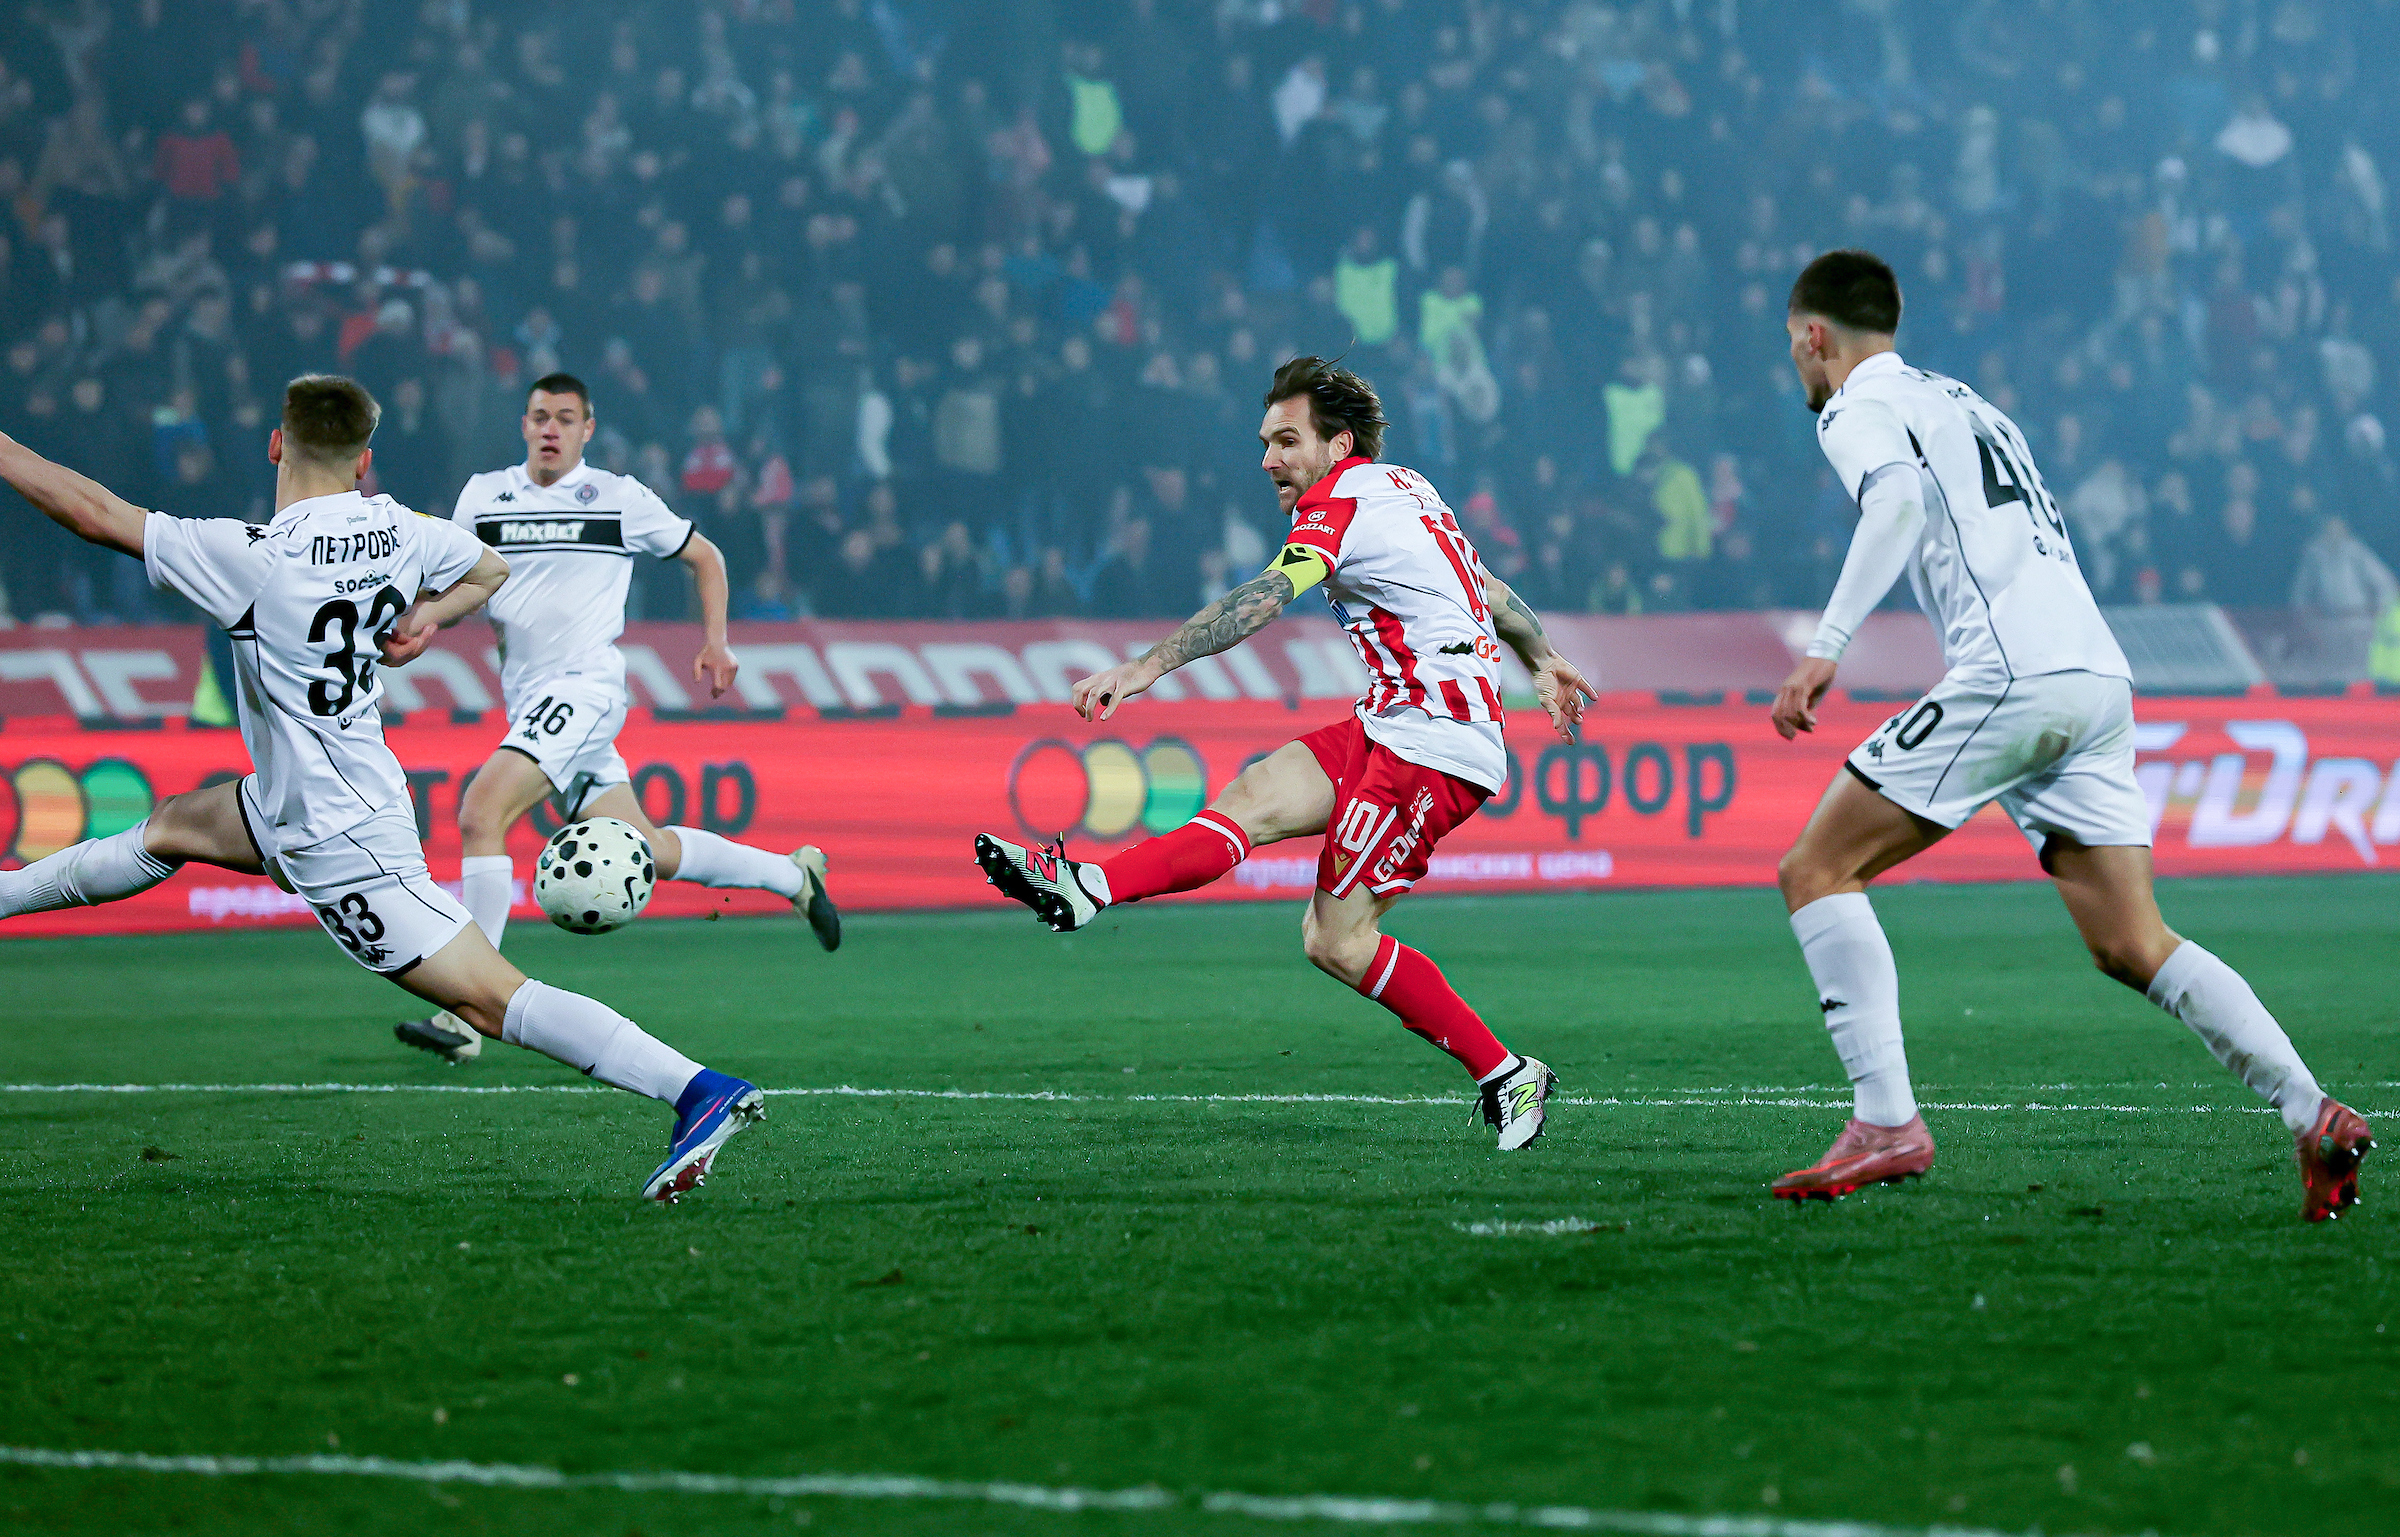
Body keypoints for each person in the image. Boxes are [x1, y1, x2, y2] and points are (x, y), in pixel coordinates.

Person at [0, 375, 763, 1202]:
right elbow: (490, 566)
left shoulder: (250, 555)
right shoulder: (398, 526)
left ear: (274, 445)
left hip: (338, 836)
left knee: (487, 998)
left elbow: (93, 511)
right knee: (174, 824)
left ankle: (696, 1088)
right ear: (365, 461)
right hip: (311, 794)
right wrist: (425, 620)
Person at [1769, 250, 2371, 1220]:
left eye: (1794, 352)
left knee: (1815, 870)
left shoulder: (1859, 406)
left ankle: (1887, 1121)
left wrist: (1825, 646)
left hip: (2013, 673)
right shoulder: (1970, 402)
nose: (1799, 370)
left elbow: (1896, 504)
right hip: (2095, 675)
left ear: (1813, 337)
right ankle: (2311, 1112)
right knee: (2135, 941)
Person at [974, 357, 1596, 1150]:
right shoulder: (1406, 487)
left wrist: (1145, 667)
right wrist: (1540, 658)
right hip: (1392, 720)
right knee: (1252, 797)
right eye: (1265, 441)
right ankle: (1086, 886)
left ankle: (1508, 1074)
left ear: (1338, 447)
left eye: (1286, 440)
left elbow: (1261, 599)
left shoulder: (1337, 503)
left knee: (1334, 939)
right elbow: (1488, 586)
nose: (1268, 459)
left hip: (1433, 745)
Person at [395, 372, 841, 1063]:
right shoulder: (483, 496)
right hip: (531, 699)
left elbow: (706, 556)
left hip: (586, 689)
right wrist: (423, 621)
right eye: (540, 415)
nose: (551, 428)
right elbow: (457, 585)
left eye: (565, 418)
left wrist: (716, 639)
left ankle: (465, 1010)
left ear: (586, 429)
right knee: (650, 847)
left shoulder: (618, 496)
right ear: (523, 424)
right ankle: (795, 876)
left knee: (482, 810)